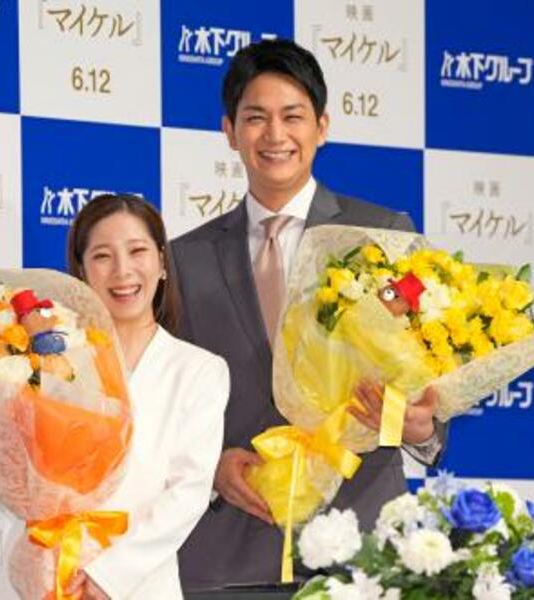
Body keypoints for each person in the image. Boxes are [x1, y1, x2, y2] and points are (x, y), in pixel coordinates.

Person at [172, 39, 446, 589]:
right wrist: (209, 468)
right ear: (229, 132)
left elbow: (428, 380)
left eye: (292, 116)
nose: (275, 135)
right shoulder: (181, 260)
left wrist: (422, 426)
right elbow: (163, 402)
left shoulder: (384, 235)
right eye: (256, 118)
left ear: (321, 127)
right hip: (231, 548)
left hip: (361, 542)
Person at [0, 194, 230, 599]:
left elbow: (189, 492)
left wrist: (107, 576)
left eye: (137, 251)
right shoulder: (48, 359)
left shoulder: (199, 370)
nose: (122, 270)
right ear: (81, 271)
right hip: (45, 574)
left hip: (138, 585)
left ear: (162, 263)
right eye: (102, 256)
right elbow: (20, 482)